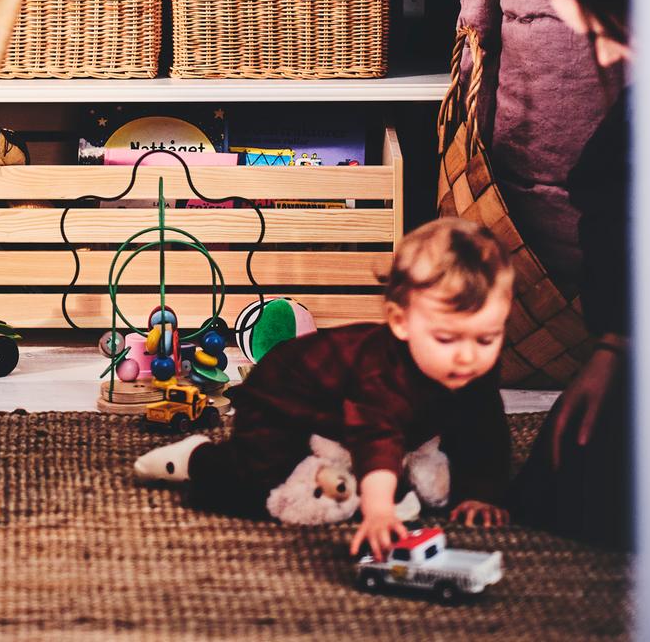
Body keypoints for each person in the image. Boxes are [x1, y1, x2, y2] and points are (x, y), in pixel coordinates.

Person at [133, 218, 513, 559]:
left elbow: (485, 426)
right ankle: (198, 458)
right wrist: (379, 511)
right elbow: (376, 435)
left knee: (451, 427)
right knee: (259, 487)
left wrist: (482, 490)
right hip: (286, 396)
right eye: (447, 339)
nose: (468, 357)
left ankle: (348, 459)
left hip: (345, 414)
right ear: (400, 322)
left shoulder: (473, 364)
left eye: (487, 338)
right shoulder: (382, 370)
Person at [509, 0, 632, 549]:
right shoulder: (639, 119)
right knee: (561, 485)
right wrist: (619, 343)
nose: (608, 59)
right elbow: (617, 214)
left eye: (610, 32)